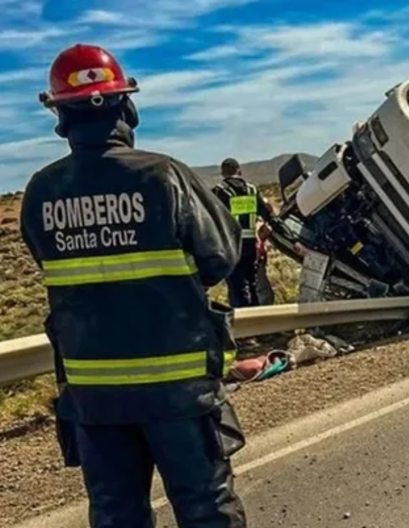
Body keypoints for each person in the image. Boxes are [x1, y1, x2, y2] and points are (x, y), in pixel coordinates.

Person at [20, 44, 247, 528]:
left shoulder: (41, 191)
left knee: (116, 515)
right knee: (206, 508)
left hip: (95, 398)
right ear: (127, 108)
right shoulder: (164, 176)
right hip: (178, 391)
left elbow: (52, 265)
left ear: (61, 119)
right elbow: (221, 257)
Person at [212, 158, 274, 307]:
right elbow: (267, 213)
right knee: (252, 284)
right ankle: (257, 319)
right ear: (239, 171)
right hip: (250, 245)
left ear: (223, 173)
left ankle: (243, 321)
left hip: (231, 246)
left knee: (236, 286)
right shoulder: (252, 190)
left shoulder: (220, 191)